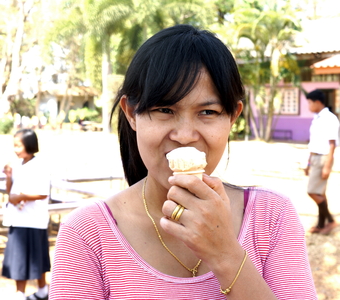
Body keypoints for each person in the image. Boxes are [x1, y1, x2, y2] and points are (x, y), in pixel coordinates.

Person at [49, 25, 316, 299]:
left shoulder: (272, 217)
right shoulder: (87, 234)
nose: (185, 136)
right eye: (164, 110)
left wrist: (225, 253)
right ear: (131, 113)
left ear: (233, 117)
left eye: (208, 112)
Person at [2, 129, 51, 300]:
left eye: (18, 145)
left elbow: (43, 193)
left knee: (37, 257)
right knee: (19, 258)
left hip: (34, 218)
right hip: (18, 218)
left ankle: (41, 289)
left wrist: (21, 197)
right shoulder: (17, 165)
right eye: (14, 146)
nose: (15, 149)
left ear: (29, 145)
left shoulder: (40, 165)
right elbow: (11, 192)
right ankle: (20, 292)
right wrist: (8, 176)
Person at [304, 89, 339, 235]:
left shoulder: (329, 118)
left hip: (324, 157)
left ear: (317, 102)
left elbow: (332, 143)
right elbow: (314, 142)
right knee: (321, 193)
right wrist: (308, 163)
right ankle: (321, 224)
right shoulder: (316, 117)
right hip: (315, 157)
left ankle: (330, 221)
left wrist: (327, 166)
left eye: (310, 103)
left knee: (312, 191)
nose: (309, 106)